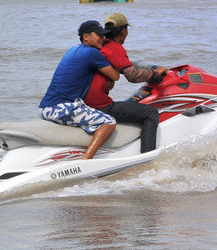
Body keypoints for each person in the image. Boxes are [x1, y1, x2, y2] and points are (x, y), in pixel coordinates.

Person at [83, 12, 167, 154]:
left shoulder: (100, 46)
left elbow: (122, 67)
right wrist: (156, 73)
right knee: (150, 113)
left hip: (84, 103)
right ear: (124, 32)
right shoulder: (114, 47)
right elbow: (132, 75)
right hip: (99, 105)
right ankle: (147, 157)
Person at [39, 21, 121, 160]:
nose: (102, 38)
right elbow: (115, 76)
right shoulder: (92, 53)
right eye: (98, 35)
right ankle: (86, 160)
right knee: (109, 122)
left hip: (46, 107)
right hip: (60, 107)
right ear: (86, 37)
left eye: (103, 35)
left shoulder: (73, 50)